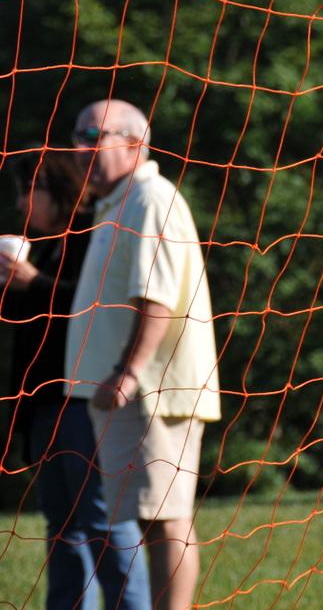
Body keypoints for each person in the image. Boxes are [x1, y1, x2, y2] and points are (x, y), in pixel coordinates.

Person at [65, 99, 221, 610]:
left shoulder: (150, 197)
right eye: (78, 135)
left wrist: (128, 373)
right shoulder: (118, 201)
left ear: (135, 143)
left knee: (168, 519)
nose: (80, 146)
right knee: (149, 521)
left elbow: (155, 295)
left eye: (95, 135)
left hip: (152, 392)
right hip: (130, 392)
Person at [1, 148, 150, 609]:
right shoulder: (42, 247)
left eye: (32, 191)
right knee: (62, 529)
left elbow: (96, 309)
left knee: (105, 523)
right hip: (46, 406)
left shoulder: (94, 238)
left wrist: (33, 282)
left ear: (61, 189)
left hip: (88, 402)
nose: (24, 204)